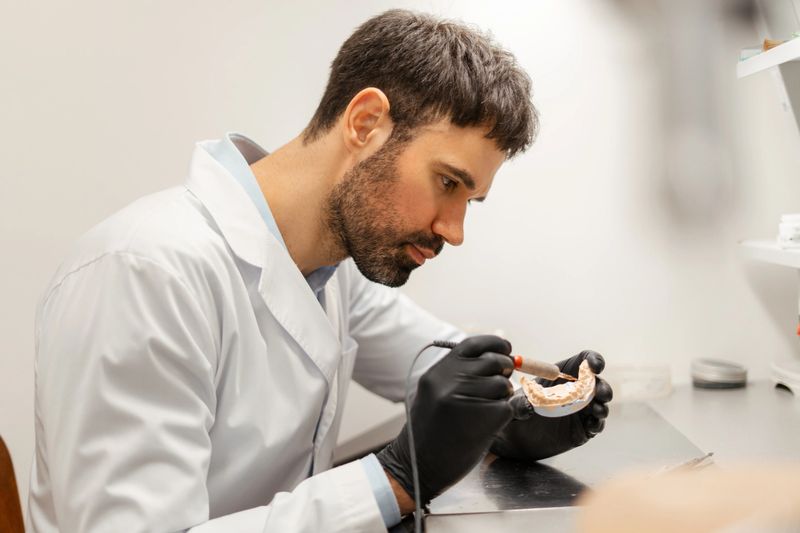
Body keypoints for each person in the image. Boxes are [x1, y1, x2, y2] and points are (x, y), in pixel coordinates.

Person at [27, 9, 612, 533]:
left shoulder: (332, 271)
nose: (454, 230)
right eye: (447, 183)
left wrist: (514, 412)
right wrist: (395, 480)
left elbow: (442, 368)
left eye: (470, 201)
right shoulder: (145, 272)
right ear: (365, 123)